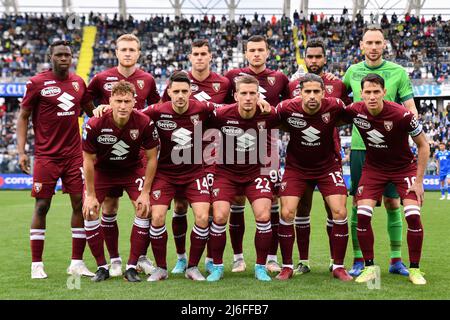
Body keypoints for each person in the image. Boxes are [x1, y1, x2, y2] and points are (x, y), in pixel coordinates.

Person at [343, 25, 418, 277]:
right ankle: (358, 260)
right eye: (369, 43)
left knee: (392, 202)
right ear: (361, 46)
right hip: (359, 147)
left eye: (378, 43)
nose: (373, 47)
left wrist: (405, 132)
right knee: (358, 203)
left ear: (384, 44)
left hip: (391, 152)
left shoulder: (397, 72)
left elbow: (410, 107)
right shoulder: (352, 71)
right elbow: (340, 102)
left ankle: (396, 260)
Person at [16, 40, 94, 279]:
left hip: (73, 155)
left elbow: (92, 110)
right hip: (46, 156)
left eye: (67, 55)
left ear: (72, 58)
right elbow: (23, 116)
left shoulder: (78, 82)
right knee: (42, 206)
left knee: (79, 204)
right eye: (59, 54)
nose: (64, 58)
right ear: (51, 56)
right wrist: (21, 151)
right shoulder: (37, 83)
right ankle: (36, 265)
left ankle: (77, 263)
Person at [86, 34, 160, 277]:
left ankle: (137, 259)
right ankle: (111, 261)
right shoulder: (100, 78)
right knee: (105, 207)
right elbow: (85, 99)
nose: (128, 53)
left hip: (134, 158)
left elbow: (157, 109)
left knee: (145, 206)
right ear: (116, 52)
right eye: (123, 49)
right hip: (105, 163)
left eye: (132, 49)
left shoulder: (147, 80)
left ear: (138, 53)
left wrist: (140, 121)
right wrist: (95, 112)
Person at [344, 74, 429, 285]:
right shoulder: (355, 111)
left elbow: (424, 145)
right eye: (367, 92)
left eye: (376, 92)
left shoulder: (402, 115)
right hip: (373, 169)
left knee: (412, 216)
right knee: (362, 215)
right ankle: (370, 267)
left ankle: (415, 269)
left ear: (384, 92)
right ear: (361, 93)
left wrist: (418, 182)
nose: (372, 96)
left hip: (403, 169)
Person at [160, 39, 231, 275]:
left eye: (204, 54)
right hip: (180, 158)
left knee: (208, 210)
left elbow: (233, 112)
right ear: (190, 57)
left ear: (211, 56)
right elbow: (163, 114)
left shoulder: (223, 84)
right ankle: (181, 258)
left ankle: (210, 258)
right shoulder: (178, 83)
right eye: (195, 54)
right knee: (179, 206)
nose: (200, 57)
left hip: (213, 157)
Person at [276, 74, 352, 282]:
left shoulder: (335, 106)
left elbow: (352, 116)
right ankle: (287, 266)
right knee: (287, 211)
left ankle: (338, 266)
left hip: (327, 167)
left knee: (339, 210)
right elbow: (272, 122)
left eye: (316, 91)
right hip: (296, 168)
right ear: (300, 93)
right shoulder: (286, 108)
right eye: (307, 91)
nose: (311, 96)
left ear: (323, 92)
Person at [225, 35, 290, 273]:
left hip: (268, 146)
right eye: (251, 50)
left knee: (271, 202)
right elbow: (223, 109)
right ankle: (238, 257)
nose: (256, 54)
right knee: (236, 202)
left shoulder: (279, 78)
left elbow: (290, 108)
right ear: (245, 53)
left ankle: (271, 258)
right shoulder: (233, 77)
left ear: (268, 52)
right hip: (236, 147)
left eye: (260, 50)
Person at [206, 75, 279, 282]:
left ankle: (260, 267)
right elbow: (200, 117)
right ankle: (218, 267)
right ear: (236, 95)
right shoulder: (221, 114)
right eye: (244, 94)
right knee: (219, 217)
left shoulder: (269, 115)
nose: (248, 98)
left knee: (264, 216)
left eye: (252, 94)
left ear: (258, 95)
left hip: (256, 172)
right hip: (226, 172)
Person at [142, 72, 213, 281]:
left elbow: (226, 111)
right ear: (169, 92)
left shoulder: (201, 107)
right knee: (156, 217)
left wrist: (260, 103)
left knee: (202, 216)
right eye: (176, 91)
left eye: (184, 91)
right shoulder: (157, 110)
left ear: (190, 92)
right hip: (165, 174)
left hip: (194, 173)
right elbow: (133, 115)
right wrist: (106, 109)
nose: (180, 95)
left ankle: (192, 267)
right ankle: (161, 268)